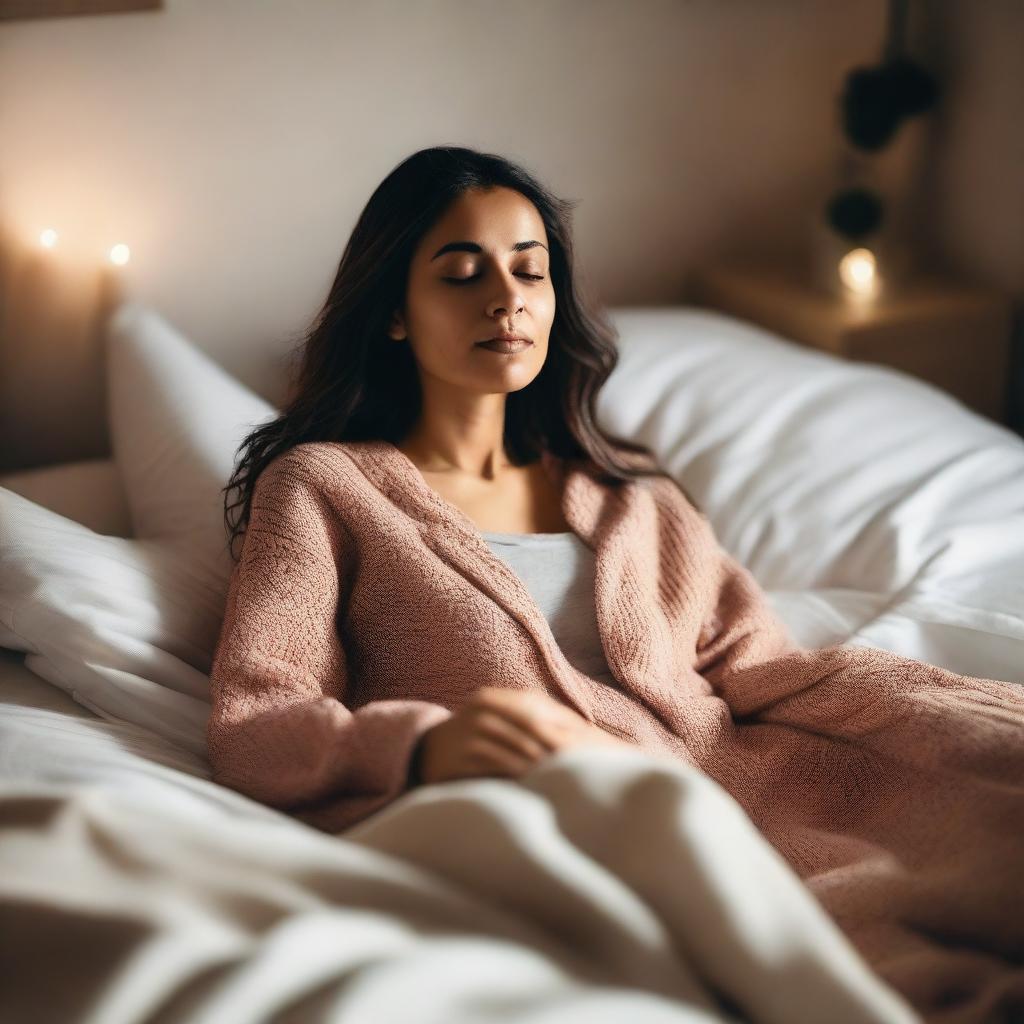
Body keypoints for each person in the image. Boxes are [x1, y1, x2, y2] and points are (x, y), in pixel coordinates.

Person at [208, 146, 1024, 1019]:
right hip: (577, 818)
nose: (507, 296)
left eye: (531, 270)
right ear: (395, 313)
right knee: (878, 963)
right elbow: (259, 715)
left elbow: (759, 668)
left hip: (758, 781)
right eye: (461, 273)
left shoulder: (634, 498)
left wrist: (941, 707)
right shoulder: (328, 487)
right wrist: (418, 749)